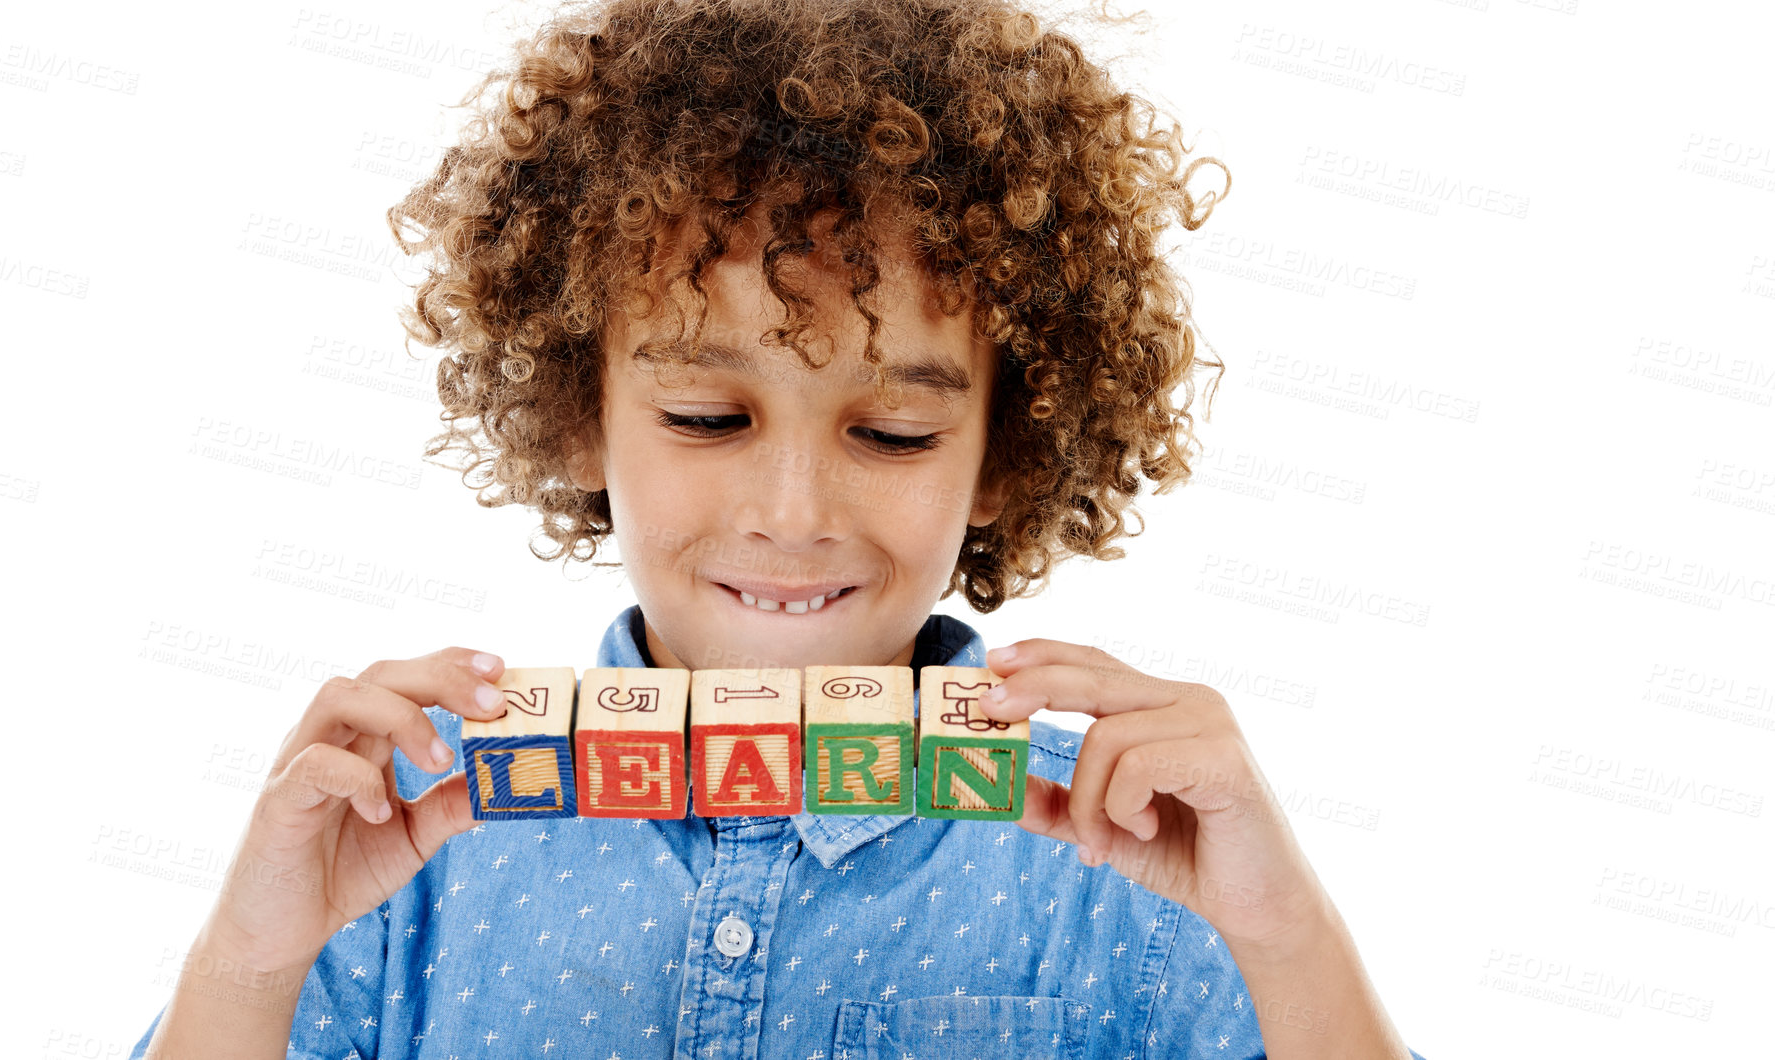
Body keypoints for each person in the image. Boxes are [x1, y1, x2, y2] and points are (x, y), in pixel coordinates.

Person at [133, 0, 1427, 1055]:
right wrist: (249, 966)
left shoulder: (1133, 867)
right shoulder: (410, 847)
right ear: (580, 410)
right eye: (705, 416)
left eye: (893, 434)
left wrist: (1284, 942)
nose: (794, 515)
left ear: (1004, 448)